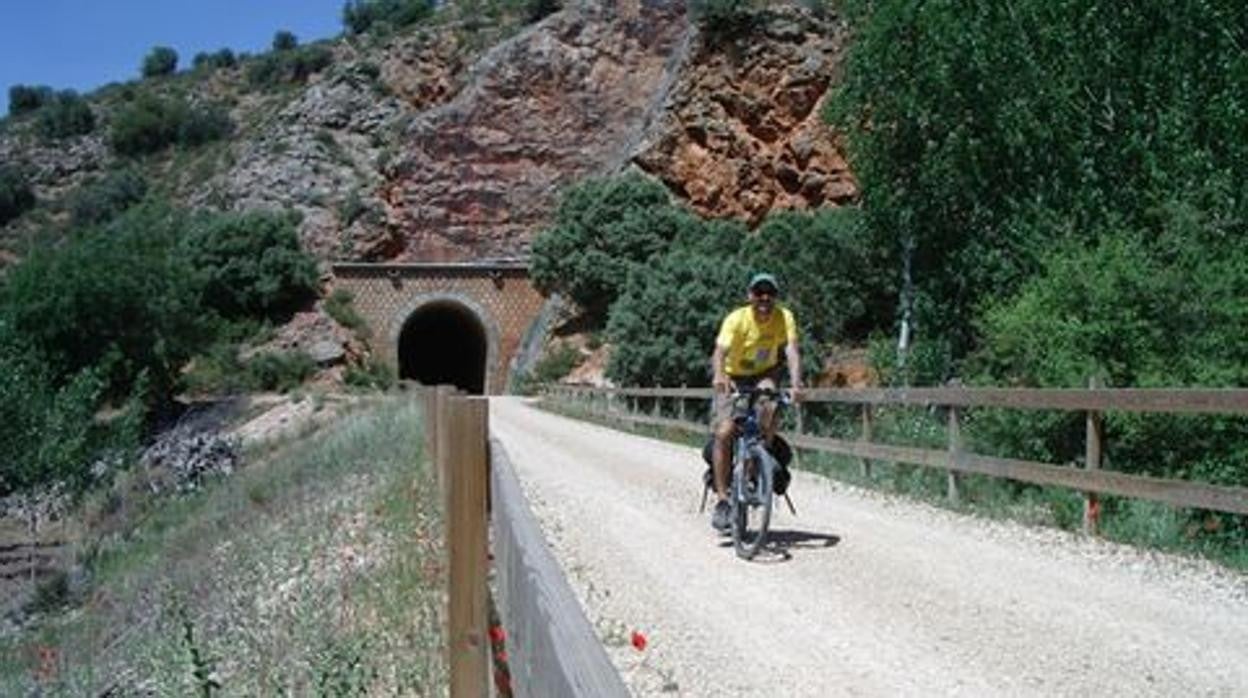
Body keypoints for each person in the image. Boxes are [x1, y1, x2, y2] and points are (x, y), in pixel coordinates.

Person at [708, 272, 802, 532]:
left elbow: (791, 351)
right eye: (759, 292)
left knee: (770, 402)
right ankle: (724, 500)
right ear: (750, 295)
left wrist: (796, 384)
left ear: (776, 297)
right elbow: (719, 352)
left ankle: (759, 459)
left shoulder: (784, 317)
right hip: (732, 375)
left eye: (770, 293)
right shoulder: (736, 319)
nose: (764, 298)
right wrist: (719, 375)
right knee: (725, 431)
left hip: (764, 372)